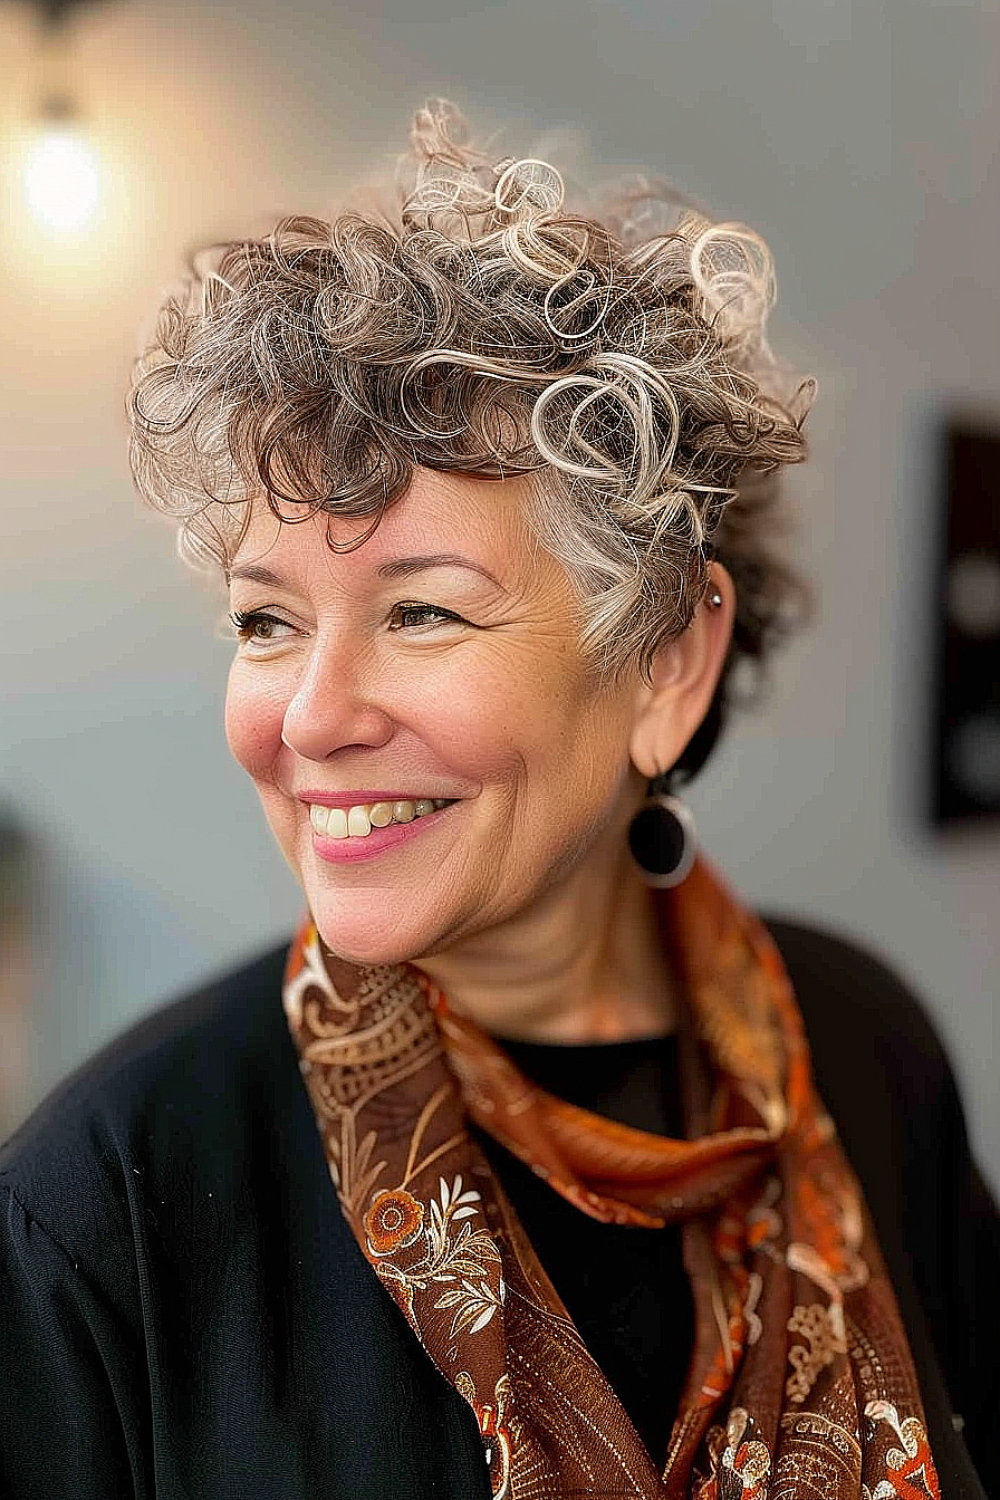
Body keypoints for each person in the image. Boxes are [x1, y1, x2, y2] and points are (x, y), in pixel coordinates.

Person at [1, 100, 995, 1500]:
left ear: (667, 663)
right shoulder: (103, 1215)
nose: (313, 716)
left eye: (420, 611)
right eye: (266, 622)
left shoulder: (867, 1055)